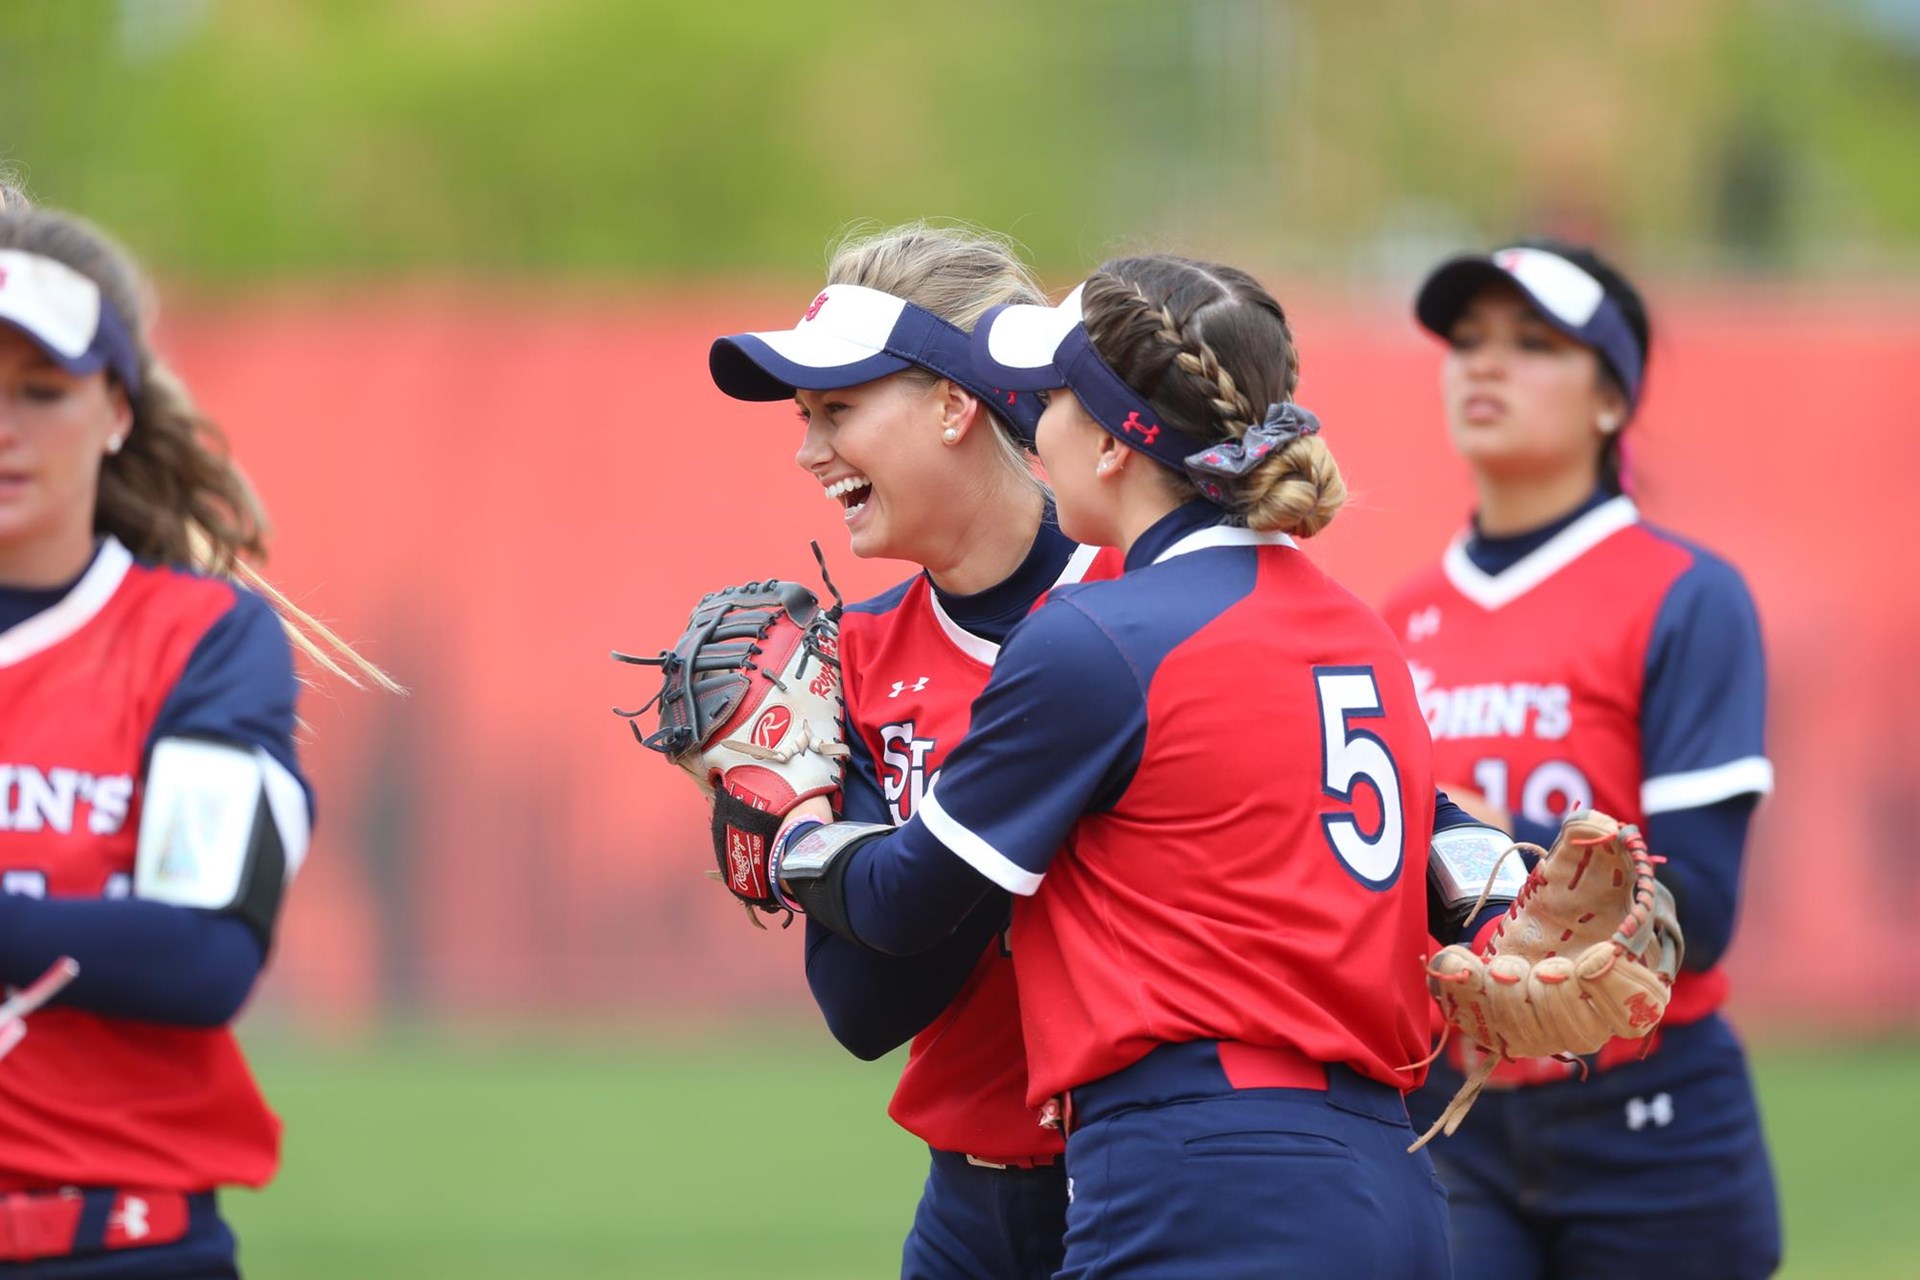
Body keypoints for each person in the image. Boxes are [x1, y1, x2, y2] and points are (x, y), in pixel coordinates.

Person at [762, 254, 1461, 1278]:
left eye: (1047, 400)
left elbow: (909, 896)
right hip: (1381, 1164)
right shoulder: (1351, 623)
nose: (1031, 423)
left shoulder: (1100, 634)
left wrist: (788, 832)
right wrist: (1496, 890)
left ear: (1112, 440)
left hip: (1201, 1164)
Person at [704, 223, 1121, 1280]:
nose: (808, 452)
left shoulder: (1143, 606)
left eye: (838, 411)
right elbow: (863, 1008)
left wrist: (923, 846)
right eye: (805, 418)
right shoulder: (853, 655)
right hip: (968, 1207)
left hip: (1148, 1184)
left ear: (954, 401)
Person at [0, 204, 396, 1276]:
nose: (5, 426)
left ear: (116, 410)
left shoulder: (201, 640)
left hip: (116, 1248)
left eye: (42, 391)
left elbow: (203, 951)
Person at [1382, 240, 1782, 1278]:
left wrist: (1533, 915)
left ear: (1613, 400)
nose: (1484, 364)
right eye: (1466, 341)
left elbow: (1706, 906)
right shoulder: (1395, 621)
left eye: (1533, 343)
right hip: (1451, 1109)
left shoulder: (1685, 592)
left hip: (1646, 1118)